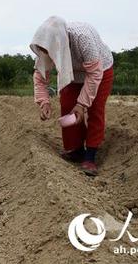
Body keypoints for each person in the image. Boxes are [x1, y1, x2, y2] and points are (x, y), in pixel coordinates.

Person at [30, 16, 113, 176]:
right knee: (68, 106)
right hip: (73, 74)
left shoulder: (83, 38)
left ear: (60, 42)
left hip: (100, 71)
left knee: (95, 109)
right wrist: (44, 102)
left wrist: (82, 104)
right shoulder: (46, 45)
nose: (47, 53)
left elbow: (95, 74)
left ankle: (90, 156)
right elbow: (40, 76)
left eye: (49, 50)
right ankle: (76, 150)